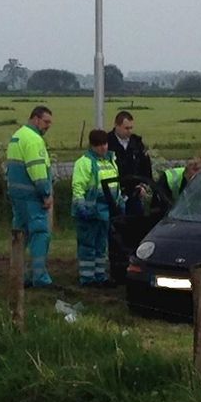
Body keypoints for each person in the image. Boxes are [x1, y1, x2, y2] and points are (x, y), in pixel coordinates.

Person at [6, 106, 55, 287]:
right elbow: (38, 171)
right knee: (40, 234)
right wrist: (46, 193)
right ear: (35, 119)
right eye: (46, 122)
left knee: (20, 234)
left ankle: (19, 273)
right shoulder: (34, 140)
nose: (48, 126)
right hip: (32, 196)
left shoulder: (17, 136)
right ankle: (40, 277)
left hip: (17, 195)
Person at [72, 129, 120, 287]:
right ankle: (87, 278)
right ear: (92, 146)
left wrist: (120, 203)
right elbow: (78, 187)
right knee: (87, 246)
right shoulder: (84, 163)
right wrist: (81, 207)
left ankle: (100, 276)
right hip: (89, 212)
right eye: (99, 145)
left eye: (105, 144)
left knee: (101, 246)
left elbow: (116, 185)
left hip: (105, 212)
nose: (103, 148)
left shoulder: (111, 160)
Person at [107, 111, 153, 215]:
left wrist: (143, 185)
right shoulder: (107, 143)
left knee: (137, 224)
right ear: (116, 125)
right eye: (126, 128)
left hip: (134, 193)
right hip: (114, 194)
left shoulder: (136, 143)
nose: (129, 131)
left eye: (131, 128)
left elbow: (145, 166)